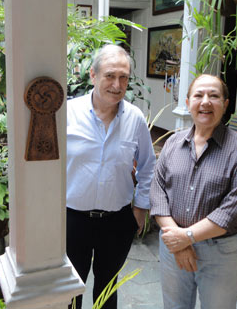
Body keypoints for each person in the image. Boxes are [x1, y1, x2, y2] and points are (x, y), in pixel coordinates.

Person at [150, 74, 237, 309]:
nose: (206, 102)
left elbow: (232, 212)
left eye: (214, 96)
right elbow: (158, 193)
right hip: (172, 247)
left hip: (221, 253)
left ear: (225, 104)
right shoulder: (172, 143)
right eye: (198, 95)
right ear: (188, 103)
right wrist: (178, 240)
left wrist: (185, 238)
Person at [66, 44, 156, 309]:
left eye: (124, 77)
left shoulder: (135, 119)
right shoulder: (68, 114)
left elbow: (148, 166)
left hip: (116, 222)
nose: (117, 85)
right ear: (93, 76)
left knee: (108, 288)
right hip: (73, 220)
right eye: (109, 76)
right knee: (71, 288)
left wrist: (140, 209)